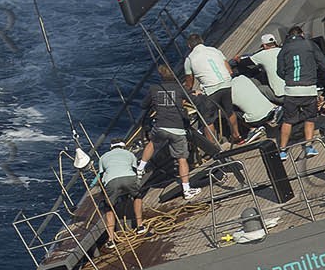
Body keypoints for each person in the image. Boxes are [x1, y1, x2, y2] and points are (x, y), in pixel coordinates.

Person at [135, 65, 208, 199]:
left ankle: (140, 169)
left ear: (161, 76)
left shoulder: (153, 89)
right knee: (181, 159)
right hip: (177, 129)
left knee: (152, 143)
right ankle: (187, 190)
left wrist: (155, 103)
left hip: (161, 127)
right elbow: (196, 102)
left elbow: (143, 105)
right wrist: (195, 94)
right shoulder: (180, 88)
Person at [275, 25, 325, 161]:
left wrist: (289, 78)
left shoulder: (284, 49)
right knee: (309, 118)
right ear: (302, 34)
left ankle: (282, 150)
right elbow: (323, 64)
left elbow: (280, 71)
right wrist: (319, 77)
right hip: (308, 88)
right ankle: (309, 146)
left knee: (288, 120)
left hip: (291, 89)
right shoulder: (310, 45)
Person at [93, 143, 146, 238]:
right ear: (123, 147)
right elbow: (135, 170)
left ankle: (111, 239)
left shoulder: (103, 157)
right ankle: (140, 226)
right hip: (129, 178)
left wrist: (105, 193)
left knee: (109, 207)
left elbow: (101, 176)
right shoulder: (129, 154)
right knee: (137, 196)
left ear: (111, 148)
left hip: (111, 181)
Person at [225, 72, 277, 142]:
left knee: (230, 112)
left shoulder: (227, 90)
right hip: (271, 112)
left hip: (256, 120)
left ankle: (253, 129)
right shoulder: (243, 77)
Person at [248, 33, 287, 99]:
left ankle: (272, 107)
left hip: (282, 96)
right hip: (294, 91)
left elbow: (244, 62)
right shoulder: (284, 50)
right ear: (275, 43)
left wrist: (237, 59)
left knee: (261, 88)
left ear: (264, 46)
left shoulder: (262, 54)